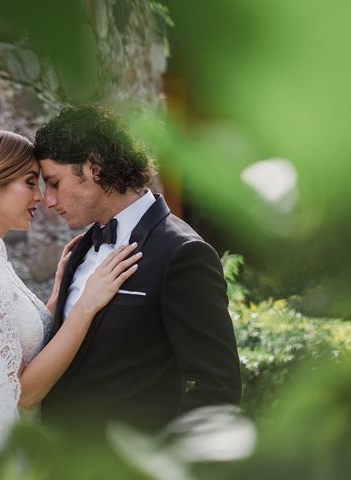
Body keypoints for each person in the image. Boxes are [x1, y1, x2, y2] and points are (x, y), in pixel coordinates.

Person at [0, 129, 141, 479]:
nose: (40, 197)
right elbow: (23, 392)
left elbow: (18, 347)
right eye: (30, 182)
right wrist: (87, 304)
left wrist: (58, 291)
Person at [34, 105, 242, 435]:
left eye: (54, 183)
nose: (47, 200)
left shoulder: (183, 254)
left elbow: (217, 388)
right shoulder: (80, 249)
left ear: (93, 167)